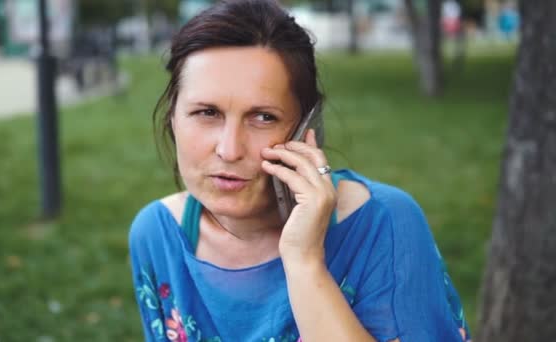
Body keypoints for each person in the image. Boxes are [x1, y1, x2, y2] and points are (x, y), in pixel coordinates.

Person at [129, 0, 471, 341]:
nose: (229, 150)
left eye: (263, 117)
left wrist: (305, 263)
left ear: (308, 128)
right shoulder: (157, 235)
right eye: (206, 112)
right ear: (173, 118)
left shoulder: (385, 223)